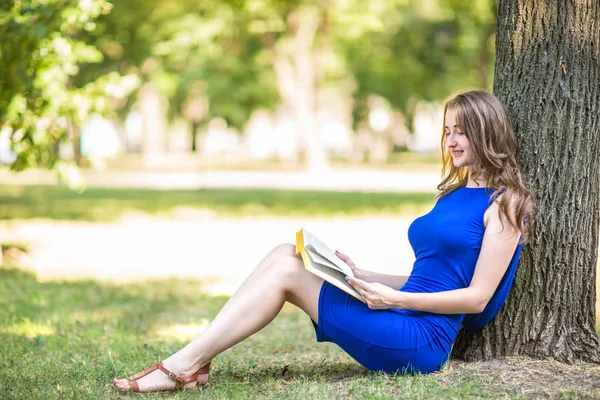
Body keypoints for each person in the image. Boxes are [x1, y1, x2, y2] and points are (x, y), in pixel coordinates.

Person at [113, 90, 534, 392]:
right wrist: (360, 273)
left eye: (461, 132)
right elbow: (428, 278)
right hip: (401, 312)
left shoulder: (505, 205)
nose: (451, 141)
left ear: (487, 133)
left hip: (423, 341)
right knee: (287, 253)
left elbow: (477, 298)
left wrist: (393, 300)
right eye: (447, 132)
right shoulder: (453, 196)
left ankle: (182, 365)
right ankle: (195, 359)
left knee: (284, 269)